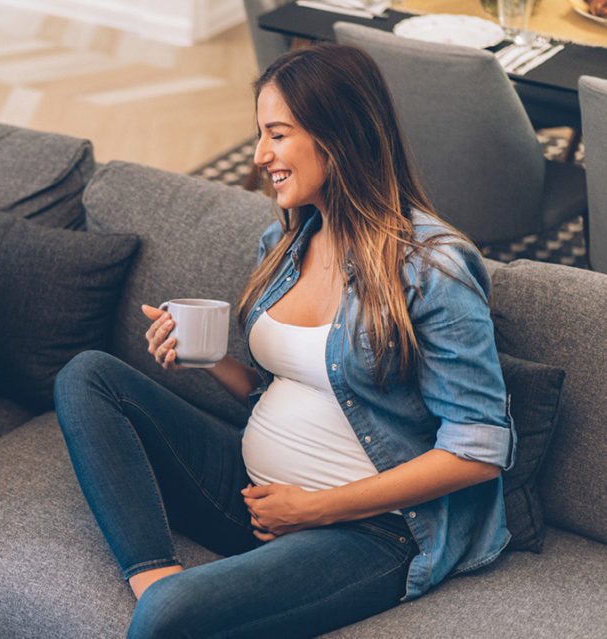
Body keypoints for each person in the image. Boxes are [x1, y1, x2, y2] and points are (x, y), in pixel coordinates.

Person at [54, 43, 515, 638]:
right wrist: (212, 359)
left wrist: (314, 510)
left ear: (337, 134)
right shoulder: (286, 240)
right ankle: (154, 578)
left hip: (372, 531)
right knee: (88, 375)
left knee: (169, 620)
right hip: (260, 502)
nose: (259, 155)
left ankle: (164, 607)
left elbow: (478, 448)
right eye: (260, 135)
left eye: (276, 134)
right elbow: (285, 391)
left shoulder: (433, 267)